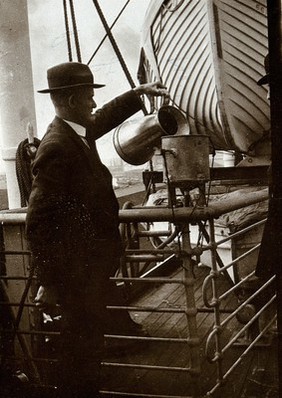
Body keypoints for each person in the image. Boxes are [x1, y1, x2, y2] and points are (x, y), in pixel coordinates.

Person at [26, 61, 169, 398]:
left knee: (89, 347)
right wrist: (49, 283)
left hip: (89, 271)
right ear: (74, 101)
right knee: (80, 350)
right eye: (90, 96)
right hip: (75, 277)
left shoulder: (76, 132)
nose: (93, 103)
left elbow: (102, 117)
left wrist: (137, 95)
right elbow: (38, 223)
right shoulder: (56, 148)